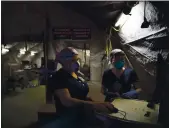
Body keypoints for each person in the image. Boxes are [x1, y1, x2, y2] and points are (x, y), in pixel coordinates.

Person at [42, 47, 116, 128]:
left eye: (77, 60)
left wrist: (101, 103)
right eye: (73, 60)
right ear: (64, 61)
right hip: (69, 119)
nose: (77, 63)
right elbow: (67, 101)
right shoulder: (59, 77)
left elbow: (81, 95)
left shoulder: (76, 75)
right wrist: (94, 105)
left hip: (84, 115)